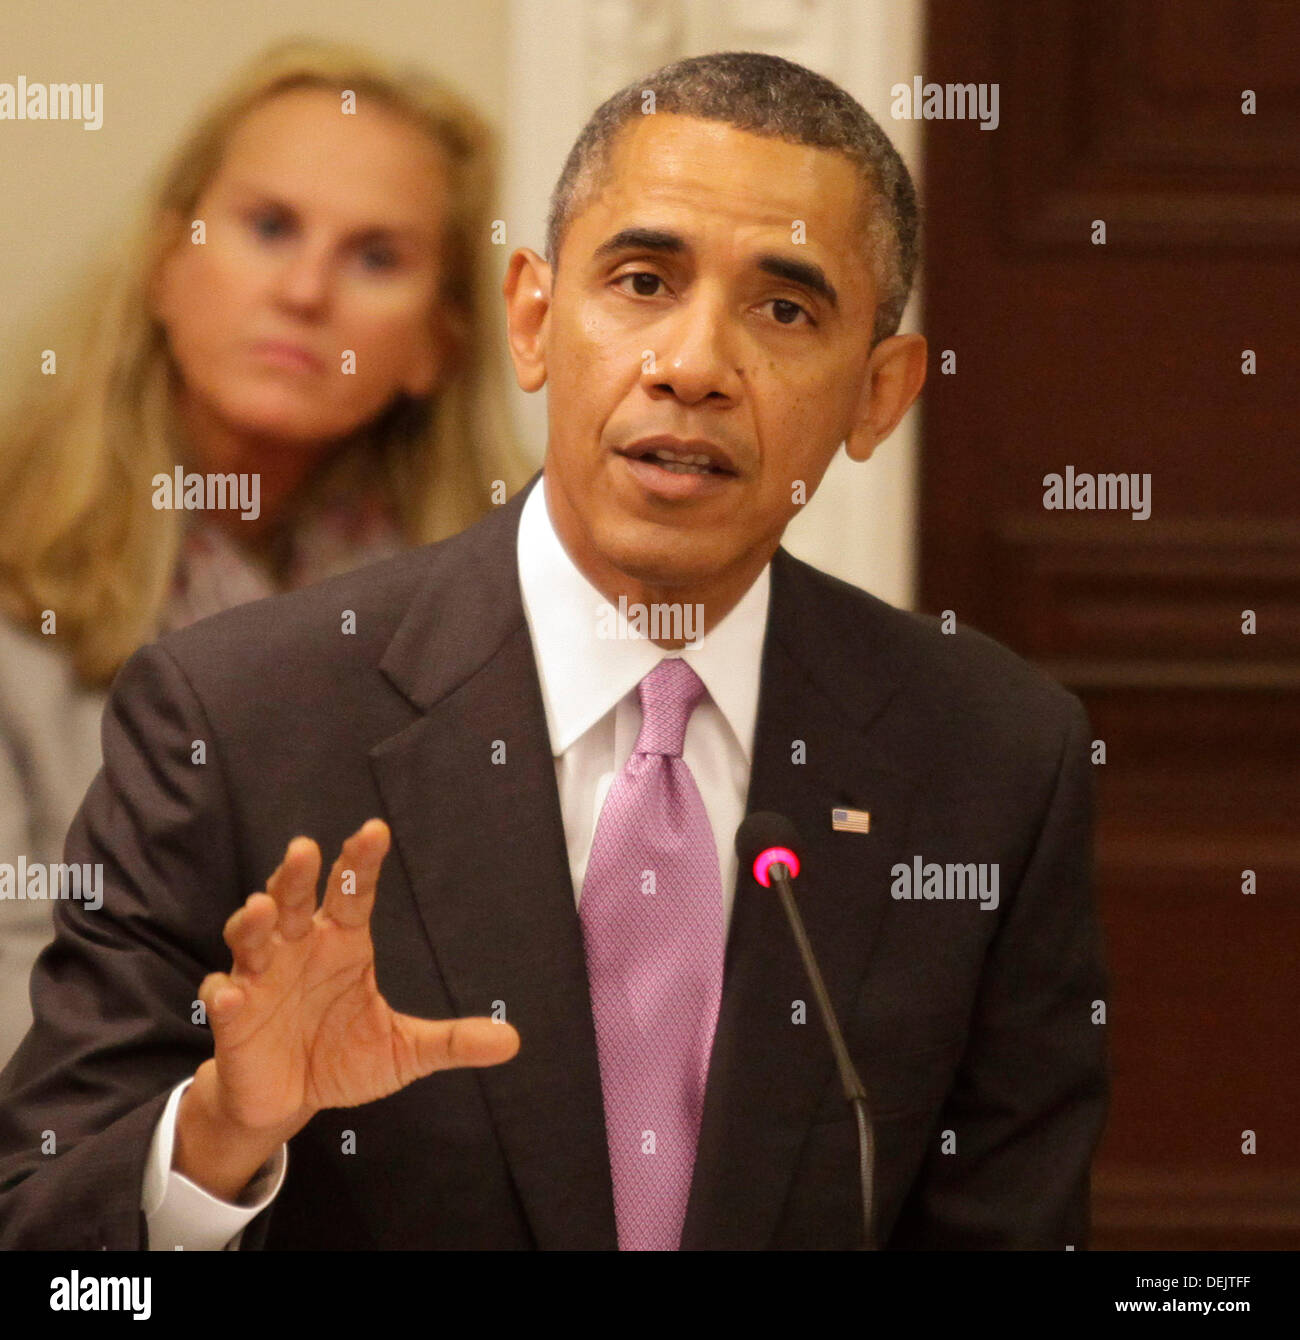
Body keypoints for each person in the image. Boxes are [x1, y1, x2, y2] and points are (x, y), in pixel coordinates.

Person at [0, 50, 1108, 1250]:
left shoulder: (992, 759)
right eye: (641, 280)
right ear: (533, 317)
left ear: (878, 397)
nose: (691, 366)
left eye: (783, 309)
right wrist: (214, 1136)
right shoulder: (237, 717)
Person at [0, 38, 533, 1067]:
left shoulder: (499, 618)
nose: (305, 291)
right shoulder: (20, 576)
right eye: (269, 226)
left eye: (376, 257)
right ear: (167, 260)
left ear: (438, 342)